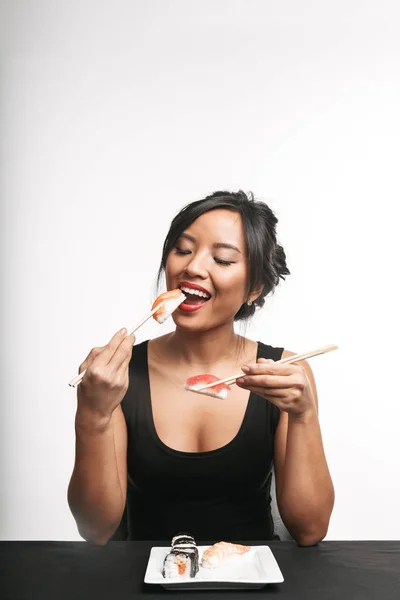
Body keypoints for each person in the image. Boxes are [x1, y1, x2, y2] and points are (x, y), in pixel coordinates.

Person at [67, 190, 334, 546]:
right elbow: (95, 529)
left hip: (251, 582)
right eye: (182, 250)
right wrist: (92, 415)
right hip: (145, 583)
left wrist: (303, 415)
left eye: (222, 259)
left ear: (254, 288)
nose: (193, 267)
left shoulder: (283, 372)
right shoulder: (118, 376)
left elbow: (311, 529)